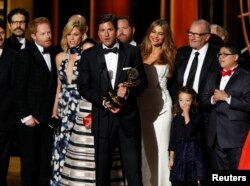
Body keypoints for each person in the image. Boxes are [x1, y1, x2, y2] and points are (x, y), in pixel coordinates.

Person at [77, 13, 147, 186]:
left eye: (110, 29)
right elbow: (83, 87)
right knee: (102, 174)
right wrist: (104, 101)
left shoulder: (132, 52)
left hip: (128, 119)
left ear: (116, 31)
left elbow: (142, 82)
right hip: (102, 119)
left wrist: (128, 92)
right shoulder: (89, 55)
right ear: (98, 33)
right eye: (102, 30)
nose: (106, 34)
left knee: (134, 174)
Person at [11, 17, 57, 186]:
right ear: (34, 36)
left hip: (48, 120)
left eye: (49, 32)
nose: (48, 36)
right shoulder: (24, 55)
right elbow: (18, 89)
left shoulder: (54, 54)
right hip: (30, 121)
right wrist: (26, 116)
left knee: (46, 164)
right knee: (30, 165)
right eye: (43, 33)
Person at [50, 19, 95, 186]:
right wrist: (55, 110)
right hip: (63, 107)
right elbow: (58, 87)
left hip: (81, 104)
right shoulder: (59, 57)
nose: (72, 38)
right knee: (60, 146)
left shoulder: (87, 56)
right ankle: (58, 181)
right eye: (69, 34)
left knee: (77, 148)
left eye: (75, 34)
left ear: (82, 35)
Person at [138, 19, 176, 186]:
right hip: (141, 106)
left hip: (163, 107)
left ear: (165, 36)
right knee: (144, 148)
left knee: (161, 149)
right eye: (153, 32)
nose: (156, 36)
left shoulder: (172, 54)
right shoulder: (139, 52)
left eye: (160, 33)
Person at [200, 43, 250, 170]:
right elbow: (203, 100)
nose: (221, 57)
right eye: (219, 54)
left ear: (236, 57)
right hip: (215, 134)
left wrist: (227, 98)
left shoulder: (246, 77)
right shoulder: (212, 75)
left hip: (235, 135)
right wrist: (212, 99)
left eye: (225, 54)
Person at [171, 19, 220, 102]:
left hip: (204, 108)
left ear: (207, 37)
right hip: (180, 106)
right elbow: (174, 81)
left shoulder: (217, 54)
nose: (192, 37)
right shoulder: (181, 52)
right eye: (190, 33)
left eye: (196, 34)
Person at [168, 87, 206, 186]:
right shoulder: (176, 119)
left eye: (187, 100)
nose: (184, 103)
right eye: (181, 100)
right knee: (177, 181)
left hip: (193, 156)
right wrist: (171, 158)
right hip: (180, 157)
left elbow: (190, 130)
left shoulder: (197, 116)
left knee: (191, 182)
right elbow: (173, 139)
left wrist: (186, 114)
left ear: (193, 101)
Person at [0, 18, 17, 186]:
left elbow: (15, 89)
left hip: (4, 119)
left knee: (3, 161)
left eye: (2, 33)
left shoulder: (12, 56)